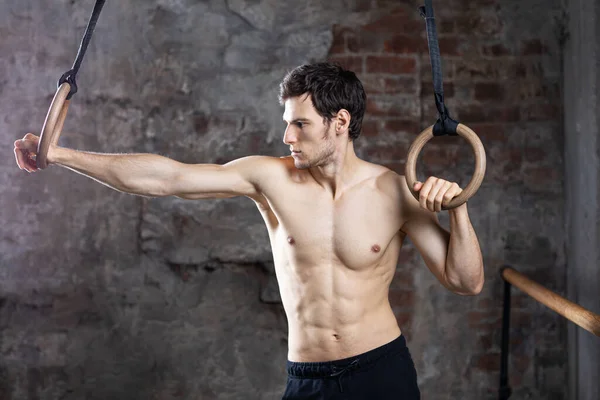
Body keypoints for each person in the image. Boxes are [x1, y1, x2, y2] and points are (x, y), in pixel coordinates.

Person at [14, 62, 484, 399]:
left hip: (382, 373)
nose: (287, 137)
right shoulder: (271, 178)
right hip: (309, 378)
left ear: (340, 123)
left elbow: (467, 281)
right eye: (287, 124)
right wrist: (60, 154)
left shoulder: (395, 192)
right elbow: (168, 178)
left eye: (300, 125)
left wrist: (457, 208)